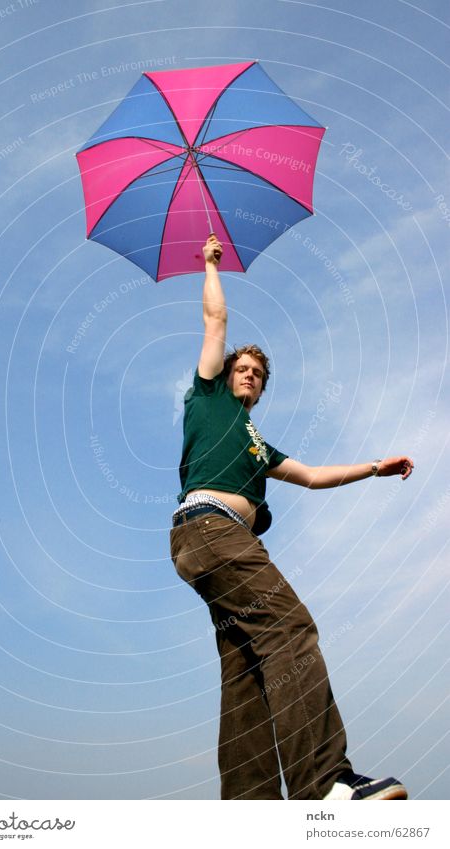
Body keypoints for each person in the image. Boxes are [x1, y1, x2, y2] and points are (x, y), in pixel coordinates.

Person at [170, 235, 414, 800]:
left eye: (258, 372)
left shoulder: (257, 442)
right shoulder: (208, 399)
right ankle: (324, 782)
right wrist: (210, 265)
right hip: (211, 531)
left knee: (249, 666)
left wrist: (376, 466)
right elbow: (215, 321)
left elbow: (312, 475)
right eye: (243, 367)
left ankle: (249, 809)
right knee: (290, 629)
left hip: (208, 546)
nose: (250, 374)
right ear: (227, 374)